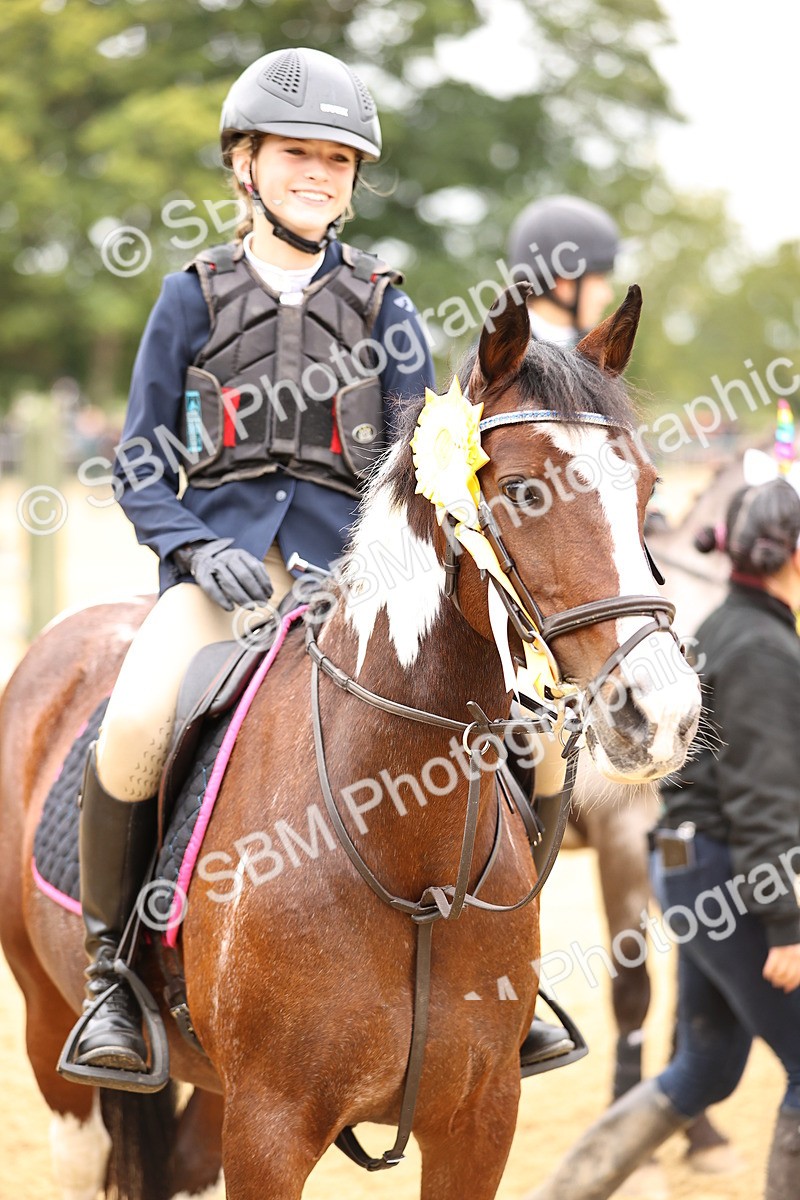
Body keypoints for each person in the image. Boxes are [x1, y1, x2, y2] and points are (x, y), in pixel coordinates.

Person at [63, 46, 435, 1082]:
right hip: (221, 576)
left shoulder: (386, 307)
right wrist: (191, 546)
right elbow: (140, 464)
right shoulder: (190, 298)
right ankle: (112, 980)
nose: (317, 174)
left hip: (354, 581)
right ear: (246, 166)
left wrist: (375, 564)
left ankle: (499, 962)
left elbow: (422, 469)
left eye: (336, 159)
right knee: (136, 720)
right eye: (294, 155)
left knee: (483, 723)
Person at [525, 476, 800, 1200]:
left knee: (705, 1067)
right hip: (728, 880)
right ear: (792, 557)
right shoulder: (766, 649)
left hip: (689, 873)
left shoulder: (721, 627)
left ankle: (565, 1193)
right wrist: (789, 924)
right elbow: (765, 804)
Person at [507, 194, 619, 1071]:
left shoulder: (588, 366)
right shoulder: (519, 366)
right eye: (602, 273)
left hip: (581, 589)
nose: (609, 289)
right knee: (536, 743)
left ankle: (516, 968)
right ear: (569, 276)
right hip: (524, 603)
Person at [508, 194, 619, 347]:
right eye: (600, 279)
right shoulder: (506, 363)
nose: (608, 296)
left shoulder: (588, 349)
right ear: (565, 286)